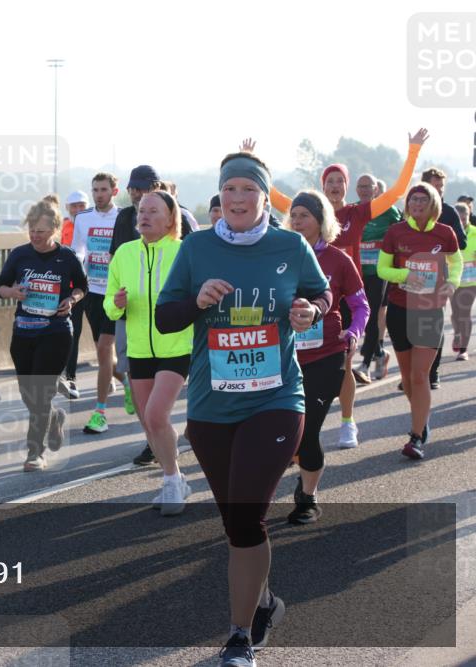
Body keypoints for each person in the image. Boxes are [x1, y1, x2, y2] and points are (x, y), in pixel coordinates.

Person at [156, 151, 332, 666]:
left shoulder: (290, 245)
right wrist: (198, 303)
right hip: (212, 407)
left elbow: (321, 296)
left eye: (248, 190)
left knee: (245, 518)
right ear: (220, 195)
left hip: (276, 400)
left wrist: (308, 310)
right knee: (237, 524)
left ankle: (239, 637)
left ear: (264, 196)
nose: (237, 198)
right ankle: (266, 601)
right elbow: (168, 319)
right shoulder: (196, 247)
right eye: (229, 189)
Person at [262, 129, 428, 448]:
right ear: (322, 186)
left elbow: (394, 194)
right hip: (309, 300)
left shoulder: (356, 213)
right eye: (329, 181)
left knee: (345, 364)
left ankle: (347, 421)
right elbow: (271, 193)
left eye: (340, 181)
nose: (335, 186)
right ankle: (297, 429)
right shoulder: (303, 212)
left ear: (346, 186)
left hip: (348, 296)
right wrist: (253, 163)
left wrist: (413, 152)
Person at [104, 191, 193, 513]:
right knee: (148, 422)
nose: (144, 216)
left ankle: (171, 481)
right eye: (141, 210)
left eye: (153, 211)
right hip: (140, 348)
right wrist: (115, 305)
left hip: (176, 345)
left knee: (157, 415)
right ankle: (176, 478)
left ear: (171, 219)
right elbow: (109, 300)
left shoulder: (184, 252)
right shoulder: (124, 253)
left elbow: (197, 298)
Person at [285, 191, 369, 523]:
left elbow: (360, 305)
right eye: (293, 214)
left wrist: (355, 331)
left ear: (321, 220)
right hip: (283, 356)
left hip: (326, 355)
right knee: (285, 431)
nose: (297, 220)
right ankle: (300, 466)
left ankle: (307, 497)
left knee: (309, 431)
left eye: (304, 214)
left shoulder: (338, 259)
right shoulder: (280, 256)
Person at [0, 197, 87, 471]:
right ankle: (55, 417)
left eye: (41, 231)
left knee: (40, 394)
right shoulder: (20, 254)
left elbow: (82, 287)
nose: (35, 236)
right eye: (32, 230)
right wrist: (12, 292)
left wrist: (71, 299)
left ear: (55, 231)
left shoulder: (67, 256)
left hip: (56, 332)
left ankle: (34, 453)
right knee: (29, 394)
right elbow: (0, 287)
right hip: (24, 333)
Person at [377, 182, 462, 459]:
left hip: (429, 308)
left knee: (420, 375)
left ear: (433, 203)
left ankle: (415, 438)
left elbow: (456, 262)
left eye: (422, 200)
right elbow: (382, 269)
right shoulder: (395, 232)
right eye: (413, 199)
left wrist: (451, 283)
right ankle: (422, 420)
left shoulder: (445, 233)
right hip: (400, 309)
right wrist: (404, 276)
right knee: (407, 378)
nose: (416, 204)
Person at [109, 165, 165, 421]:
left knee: (160, 382)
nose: (136, 193)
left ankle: (158, 431)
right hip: (129, 312)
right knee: (131, 368)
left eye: (142, 188)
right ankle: (152, 438)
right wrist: (115, 298)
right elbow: (115, 260)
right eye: (133, 188)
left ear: (156, 188)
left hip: (165, 316)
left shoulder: (177, 217)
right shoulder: (123, 218)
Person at [71, 172, 124, 434]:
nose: (98, 194)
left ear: (114, 192)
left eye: (103, 189)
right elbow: (78, 249)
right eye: (95, 190)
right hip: (92, 292)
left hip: (116, 294)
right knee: (104, 354)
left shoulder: (124, 217)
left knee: (105, 347)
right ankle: (130, 386)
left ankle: (100, 413)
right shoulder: (83, 218)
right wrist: (79, 263)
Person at [419, 168, 467, 389]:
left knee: (434, 325)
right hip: (413, 277)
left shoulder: (448, 212)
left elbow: (463, 244)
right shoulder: (412, 209)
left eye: (441, 187)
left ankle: (433, 372)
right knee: (415, 325)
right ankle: (415, 372)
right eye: (435, 187)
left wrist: (442, 240)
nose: (439, 191)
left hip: (439, 277)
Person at [355, 177, 400, 382]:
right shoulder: (352, 210)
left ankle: (364, 363)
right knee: (355, 314)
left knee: (372, 313)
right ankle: (380, 353)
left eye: (368, 187)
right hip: (355, 271)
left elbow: (400, 232)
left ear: (376, 190)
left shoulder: (388, 210)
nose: (364, 190)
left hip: (378, 271)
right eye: (361, 187)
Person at [59, 190, 89, 399]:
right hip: (73, 288)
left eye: (81, 205)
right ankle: (71, 378)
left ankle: (116, 374)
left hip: (98, 286)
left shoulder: (93, 221)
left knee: (104, 338)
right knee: (73, 334)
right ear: (68, 208)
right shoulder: (62, 227)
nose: (78, 210)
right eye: (74, 206)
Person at [450, 199, 476, 361]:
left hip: (471, 279)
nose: (463, 219)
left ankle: (463, 350)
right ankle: (458, 333)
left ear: (469, 214)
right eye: (459, 217)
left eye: (465, 215)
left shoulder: (475, 232)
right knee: (455, 313)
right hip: (453, 278)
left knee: (464, 312)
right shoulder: (450, 233)